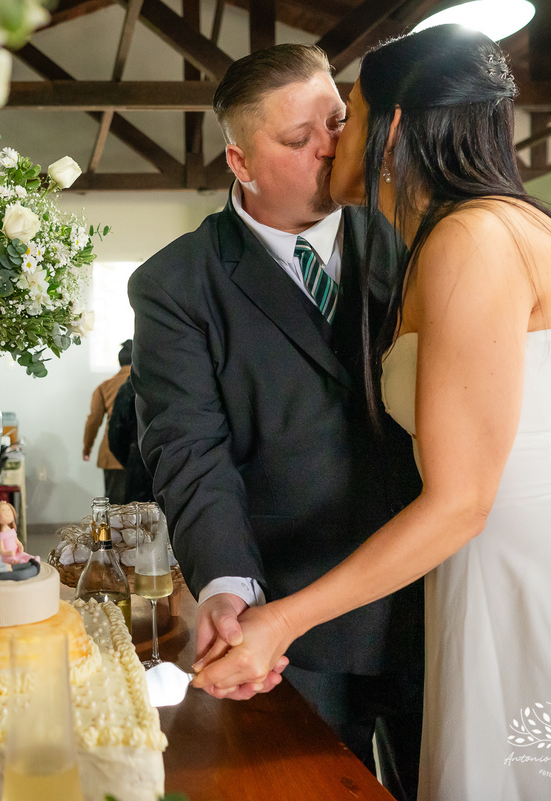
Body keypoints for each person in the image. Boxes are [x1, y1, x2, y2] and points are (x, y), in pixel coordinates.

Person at [193, 25, 551, 801]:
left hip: (550, 586)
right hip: (509, 573)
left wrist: (281, 621)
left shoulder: (471, 238)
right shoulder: (495, 224)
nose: (333, 140)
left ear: (396, 127)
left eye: (348, 116)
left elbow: (460, 501)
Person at [129, 43, 424, 797]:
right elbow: (190, 446)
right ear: (241, 161)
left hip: (440, 595)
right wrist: (227, 586)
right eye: (298, 141)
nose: (331, 148)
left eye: (336, 120)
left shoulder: (415, 237)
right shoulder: (175, 283)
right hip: (290, 623)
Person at [83, 339, 133, 504]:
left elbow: (93, 421)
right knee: (145, 508)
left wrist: (87, 448)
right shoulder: (150, 384)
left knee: (116, 507)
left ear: (120, 361)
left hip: (112, 453)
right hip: (143, 452)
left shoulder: (105, 386)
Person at [106, 377, 153, 503]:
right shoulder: (181, 380)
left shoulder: (130, 387)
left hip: (139, 469)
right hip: (179, 465)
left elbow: (116, 435)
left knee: (138, 519)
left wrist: (132, 460)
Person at [0, 508, 39, 580]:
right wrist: (5, 568)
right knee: (20, 575)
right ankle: (34, 569)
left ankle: (30, 563)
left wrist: (4, 566)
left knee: (16, 566)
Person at [0, 500, 38, 565]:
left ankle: (32, 559)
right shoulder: (1, 534)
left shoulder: (12, 531)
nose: (7, 512)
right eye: (3, 510)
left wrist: (20, 545)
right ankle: (21, 564)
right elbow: (1, 549)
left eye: (8, 509)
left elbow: (17, 541)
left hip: (16, 552)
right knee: (13, 560)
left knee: (25, 555)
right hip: (7, 555)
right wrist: (8, 553)